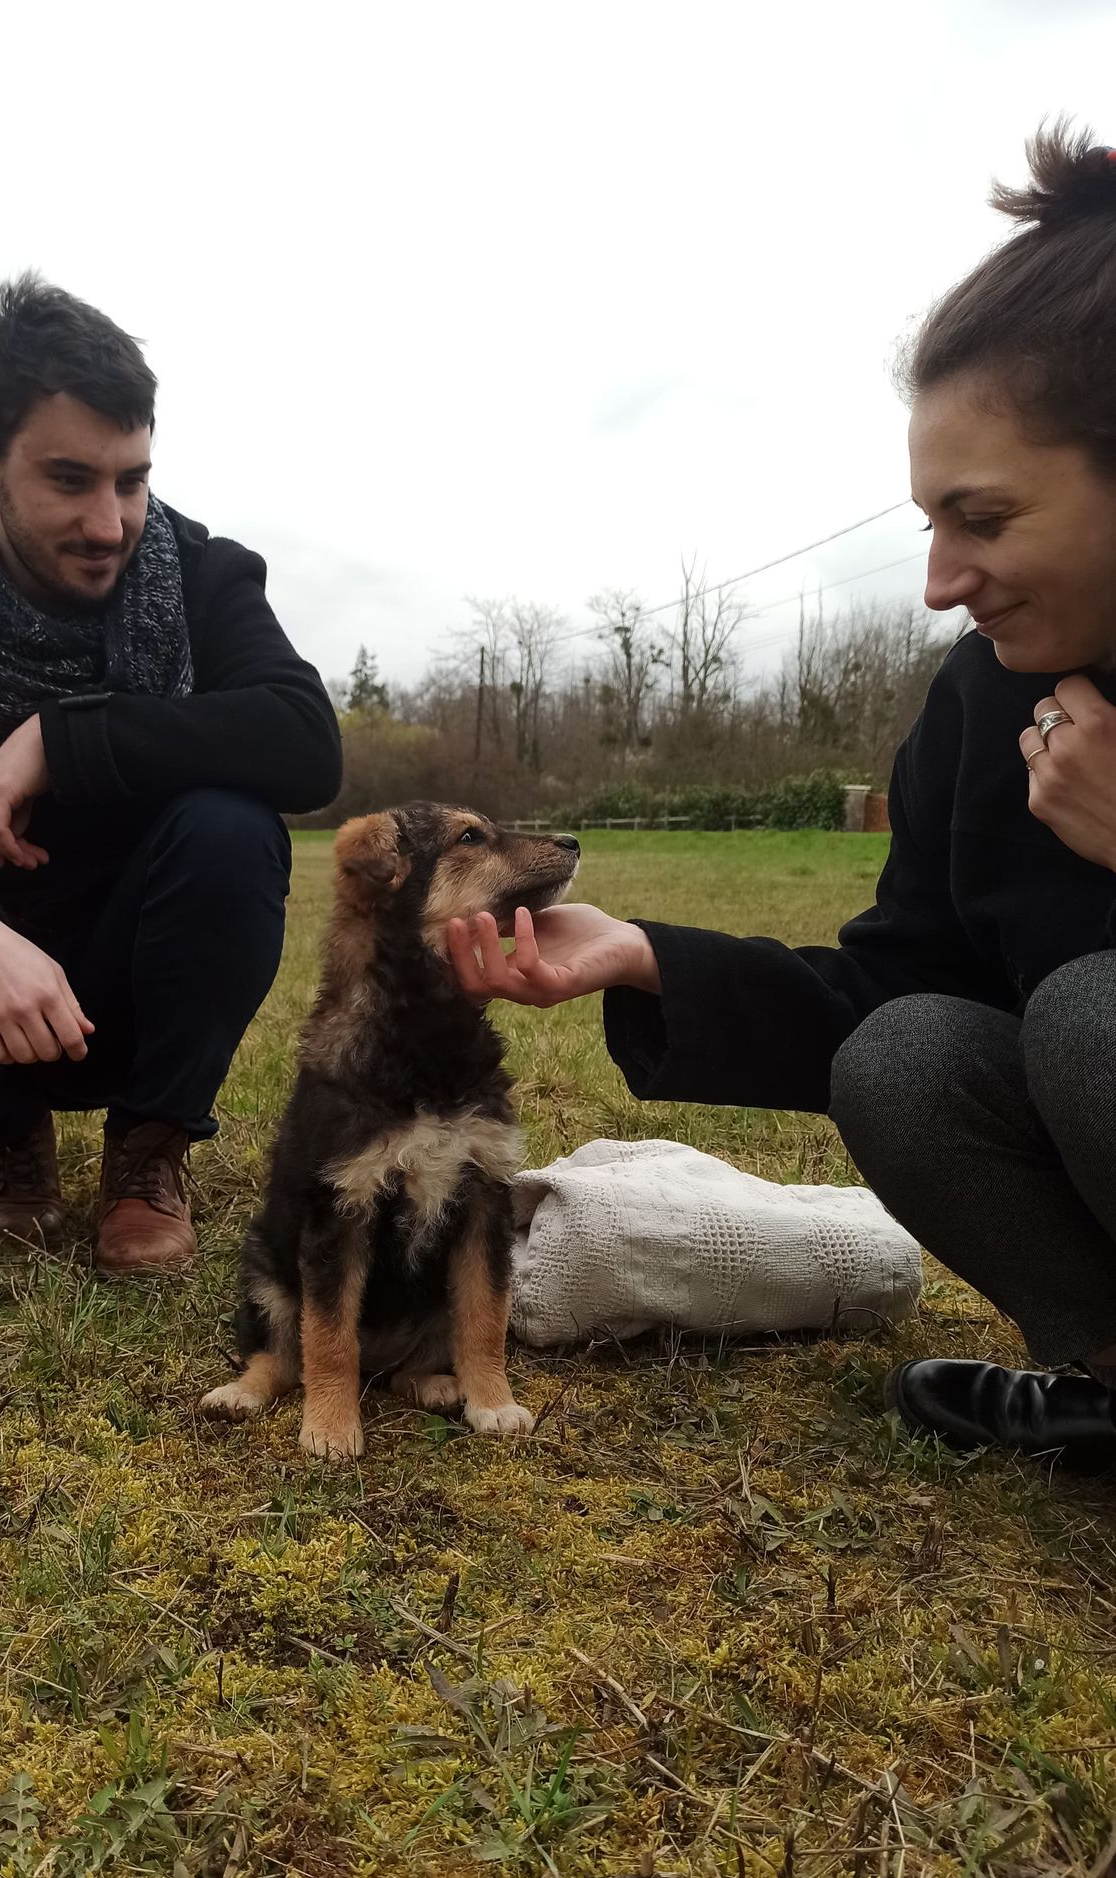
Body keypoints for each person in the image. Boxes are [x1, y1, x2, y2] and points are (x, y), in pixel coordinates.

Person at [448, 123, 1116, 1464]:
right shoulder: (982, 702)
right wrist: (643, 960)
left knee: (1090, 1016)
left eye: (980, 521)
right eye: (926, 523)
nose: (939, 578)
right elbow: (894, 994)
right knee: (907, 1060)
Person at [0, 277, 341, 1268]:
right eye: (70, 479)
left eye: (130, 479)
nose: (110, 522)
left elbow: (302, 742)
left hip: (144, 968)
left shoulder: (204, 578)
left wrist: (65, 735)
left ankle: (148, 1148)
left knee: (230, 825)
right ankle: (7, 1134)